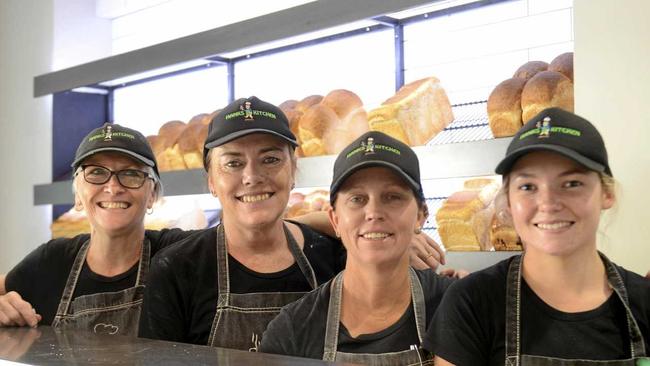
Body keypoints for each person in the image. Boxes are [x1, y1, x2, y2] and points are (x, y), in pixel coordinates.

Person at [137, 97, 447, 350]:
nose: (252, 176)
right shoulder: (177, 270)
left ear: (293, 170)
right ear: (212, 182)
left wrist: (396, 243)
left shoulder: (332, 254)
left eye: (270, 159)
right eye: (233, 163)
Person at [425, 107, 650, 365]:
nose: (548, 203)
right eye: (528, 187)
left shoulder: (644, 302)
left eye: (572, 183)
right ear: (508, 203)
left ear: (606, 194)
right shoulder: (472, 303)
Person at [259, 131, 455, 364]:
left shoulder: (458, 307)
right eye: (357, 199)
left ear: (421, 216)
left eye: (392, 197)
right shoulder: (292, 330)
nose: (373, 213)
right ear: (335, 220)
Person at [0, 124, 190, 335]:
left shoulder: (178, 254)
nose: (113, 188)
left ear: (152, 194)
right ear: (78, 196)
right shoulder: (51, 260)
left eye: (131, 173)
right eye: (96, 172)